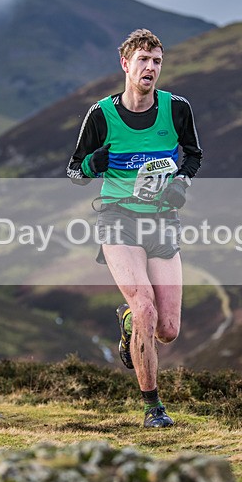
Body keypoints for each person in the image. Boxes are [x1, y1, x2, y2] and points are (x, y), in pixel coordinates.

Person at [67, 29, 203, 428]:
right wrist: (97, 162)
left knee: (167, 329)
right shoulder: (101, 114)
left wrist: (180, 183)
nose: (150, 67)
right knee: (145, 306)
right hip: (117, 219)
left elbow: (192, 154)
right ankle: (153, 408)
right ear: (125, 64)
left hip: (162, 221)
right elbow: (75, 171)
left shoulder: (177, 109)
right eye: (143, 59)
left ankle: (129, 324)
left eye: (157, 61)